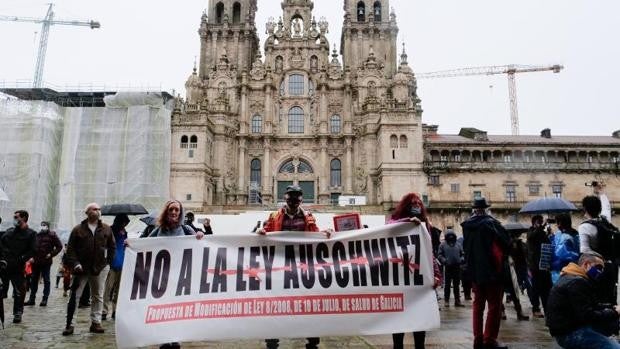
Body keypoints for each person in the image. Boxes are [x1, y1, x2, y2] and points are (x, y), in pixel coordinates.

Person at [257, 185, 331, 349]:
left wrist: (324, 233)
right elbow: (266, 231)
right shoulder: (275, 216)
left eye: (297, 197)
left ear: (301, 199)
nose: (294, 200)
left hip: (302, 266)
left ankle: (312, 341)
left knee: (308, 303)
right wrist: (261, 231)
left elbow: (315, 233)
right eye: (291, 197)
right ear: (285, 198)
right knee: (275, 303)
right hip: (279, 266)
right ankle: (272, 341)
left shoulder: (308, 217)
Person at [388, 192, 442, 349]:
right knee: (399, 321)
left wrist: (437, 275)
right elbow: (388, 227)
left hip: (419, 279)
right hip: (400, 279)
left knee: (420, 322)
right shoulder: (397, 220)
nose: (417, 206)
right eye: (413, 204)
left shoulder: (425, 226)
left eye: (419, 204)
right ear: (406, 206)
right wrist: (407, 222)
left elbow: (429, 251)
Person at [148, 200, 204, 349]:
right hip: (162, 278)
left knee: (177, 308)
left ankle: (175, 338)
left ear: (180, 213)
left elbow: (201, 241)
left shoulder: (186, 229)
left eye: (177, 210)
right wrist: (131, 244)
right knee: (163, 308)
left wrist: (200, 234)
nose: (174, 212)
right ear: (166, 211)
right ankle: (164, 338)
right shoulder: (158, 229)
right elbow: (144, 244)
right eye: (171, 209)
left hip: (180, 278)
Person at [462, 197, 511, 349]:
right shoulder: (491, 224)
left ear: (474, 209)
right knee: (494, 306)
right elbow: (506, 244)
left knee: (478, 307)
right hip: (492, 273)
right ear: (486, 209)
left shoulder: (466, 226)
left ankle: (478, 339)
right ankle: (489, 339)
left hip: (475, 273)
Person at [62, 202, 116, 336]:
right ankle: (70, 324)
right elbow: (71, 250)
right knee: (74, 296)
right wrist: (75, 264)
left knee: (98, 295)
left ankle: (96, 322)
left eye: (98, 209)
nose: (97, 211)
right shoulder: (78, 229)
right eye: (94, 209)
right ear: (87, 212)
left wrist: (108, 262)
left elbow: (112, 247)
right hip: (81, 268)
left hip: (100, 267)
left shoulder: (106, 229)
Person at [546, 252, 620, 348]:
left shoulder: (571, 276)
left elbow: (588, 305)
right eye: (598, 267)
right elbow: (588, 315)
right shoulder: (577, 282)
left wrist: (611, 307)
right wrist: (614, 312)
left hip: (568, 327)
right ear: (586, 264)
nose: (600, 272)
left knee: (611, 324)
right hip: (569, 333)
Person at [578, 195, 619, 305]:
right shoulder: (605, 221)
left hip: (595, 267)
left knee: (596, 296)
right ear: (599, 208)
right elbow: (607, 208)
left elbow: (584, 249)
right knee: (610, 294)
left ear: (585, 209)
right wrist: (601, 193)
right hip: (611, 265)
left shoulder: (584, 227)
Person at [0, 210, 36, 323]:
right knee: (2, 290)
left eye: (16, 217)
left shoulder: (31, 234)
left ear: (24, 218)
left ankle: (18, 312)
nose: (14, 219)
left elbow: (33, 250)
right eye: (14, 217)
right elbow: (2, 243)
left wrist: (22, 259)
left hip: (18, 266)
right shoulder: (9, 232)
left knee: (19, 291)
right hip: (5, 266)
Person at [25, 221, 62, 307]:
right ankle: (32, 299)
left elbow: (59, 246)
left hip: (46, 262)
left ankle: (45, 299)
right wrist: (31, 257)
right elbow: (32, 247)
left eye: (44, 225)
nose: (42, 227)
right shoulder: (37, 235)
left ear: (48, 227)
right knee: (34, 280)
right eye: (41, 225)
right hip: (36, 261)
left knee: (46, 280)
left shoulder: (52, 235)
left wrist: (51, 254)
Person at [102, 214, 130, 321]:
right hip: (111, 264)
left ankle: (115, 310)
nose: (125, 225)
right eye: (125, 223)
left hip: (122, 263)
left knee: (118, 290)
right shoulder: (110, 230)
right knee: (108, 289)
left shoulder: (124, 232)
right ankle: (104, 311)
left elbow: (125, 245)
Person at [526, 215, 553, 318]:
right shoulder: (531, 231)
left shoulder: (541, 232)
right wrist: (539, 227)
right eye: (539, 222)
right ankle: (535, 308)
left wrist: (549, 234)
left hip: (544, 264)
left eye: (542, 222)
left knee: (546, 288)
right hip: (535, 265)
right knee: (536, 287)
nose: (541, 223)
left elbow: (548, 244)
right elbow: (532, 237)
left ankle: (547, 309)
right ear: (535, 222)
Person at [438, 228, 465, 308]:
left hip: (457, 267)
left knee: (456, 285)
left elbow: (462, 254)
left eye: (452, 236)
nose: (450, 237)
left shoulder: (458, 244)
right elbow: (439, 255)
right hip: (448, 267)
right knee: (447, 285)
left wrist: (461, 259)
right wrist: (444, 260)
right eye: (449, 236)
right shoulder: (442, 245)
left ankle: (457, 301)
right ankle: (446, 301)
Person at [550, 213, 580, 284]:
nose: (556, 225)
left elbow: (559, 253)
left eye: (557, 223)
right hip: (574, 268)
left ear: (560, 223)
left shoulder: (565, 237)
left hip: (561, 270)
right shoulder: (576, 233)